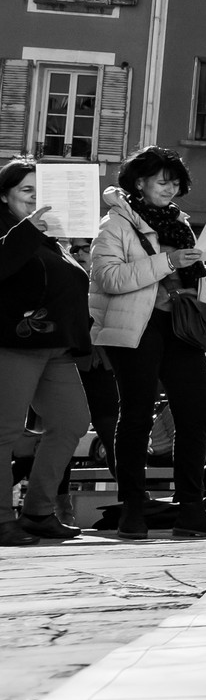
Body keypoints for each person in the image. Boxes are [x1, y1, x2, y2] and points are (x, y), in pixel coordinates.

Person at [89, 147, 206, 540]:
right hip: (134, 328)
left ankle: (191, 509)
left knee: (195, 414)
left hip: (180, 327)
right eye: (163, 181)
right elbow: (109, 278)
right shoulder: (115, 225)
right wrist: (169, 262)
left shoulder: (179, 224)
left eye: (176, 182)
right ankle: (132, 511)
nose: (171, 189)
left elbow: (192, 273)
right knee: (137, 415)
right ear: (139, 182)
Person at [0, 160, 92, 545]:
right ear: (4, 195)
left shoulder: (51, 237)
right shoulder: (13, 230)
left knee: (72, 422)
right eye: (26, 191)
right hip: (13, 342)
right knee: (3, 433)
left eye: (41, 192)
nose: (35, 200)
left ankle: (38, 511)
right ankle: (3, 519)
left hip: (55, 347)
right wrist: (27, 231)